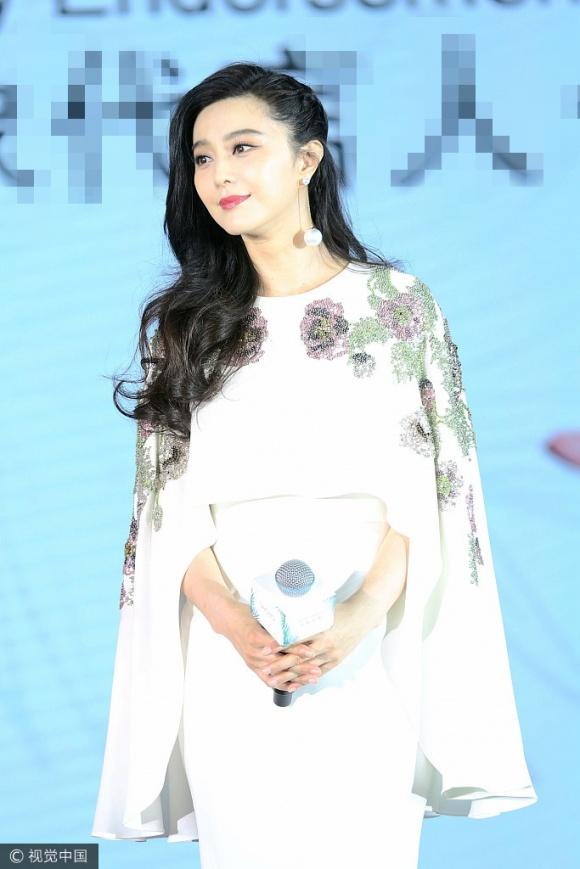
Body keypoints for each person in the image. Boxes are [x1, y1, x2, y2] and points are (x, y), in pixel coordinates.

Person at [91, 62, 538, 867]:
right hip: (234, 657)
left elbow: (438, 494)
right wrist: (240, 630)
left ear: (307, 159)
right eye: (201, 157)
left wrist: (359, 616)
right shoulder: (185, 327)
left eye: (243, 147)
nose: (219, 175)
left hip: (369, 645)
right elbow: (163, 511)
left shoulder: (396, 305)